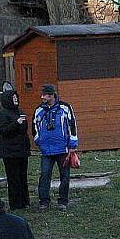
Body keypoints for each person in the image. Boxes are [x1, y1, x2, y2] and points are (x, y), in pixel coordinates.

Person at [32, 83, 78, 212]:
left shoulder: (65, 107)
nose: (42, 97)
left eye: (44, 95)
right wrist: (39, 141)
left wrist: (73, 144)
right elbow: (34, 128)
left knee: (65, 176)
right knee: (44, 175)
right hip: (46, 150)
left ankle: (63, 201)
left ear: (51, 95)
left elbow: (72, 125)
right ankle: (44, 202)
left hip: (62, 149)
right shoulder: (39, 110)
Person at [0, 89, 31, 210]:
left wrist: (22, 123)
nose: (16, 100)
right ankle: (15, 204)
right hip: (10, 152)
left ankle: (25, 201)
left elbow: (24, 130)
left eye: (16, 98)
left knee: (23, 177)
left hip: (22, 149)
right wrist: (16, 123)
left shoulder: (20, 112)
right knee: (13, 178)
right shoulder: (2, 114)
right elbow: (4, 131)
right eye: (13, 98)